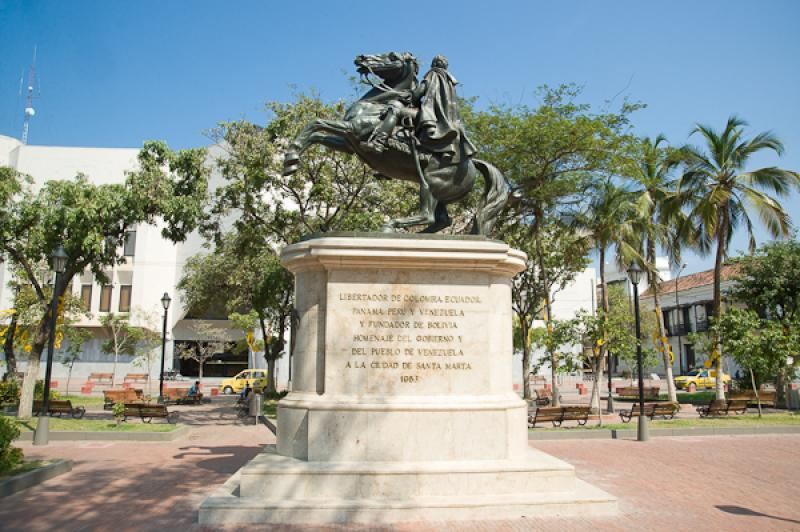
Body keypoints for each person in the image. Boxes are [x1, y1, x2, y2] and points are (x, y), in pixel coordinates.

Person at [414, 55, 476, 163]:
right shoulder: (449, 80)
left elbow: (421, 91)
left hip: (434, 112)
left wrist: (412, 97)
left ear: (434, 64)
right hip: (449, 117)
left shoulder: (433, 73)